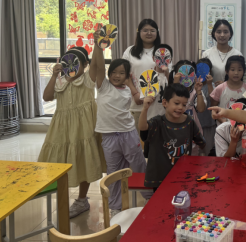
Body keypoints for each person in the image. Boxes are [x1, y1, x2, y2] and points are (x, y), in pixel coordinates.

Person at [38, 47, 107, 218]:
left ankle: (82, 199)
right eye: (66, 62)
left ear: (85, 64)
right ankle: (61, 195)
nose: (71, 67)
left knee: (83, 159)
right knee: (60, 159)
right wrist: (54, 75)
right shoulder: (60, 81)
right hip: (62, 127)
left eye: (76, 63)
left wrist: (97, 45)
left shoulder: (87, 79)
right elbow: (46, 97)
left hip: (83, 126)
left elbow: (97, 66)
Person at [92, 32, 150, 217]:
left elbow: (137, 98)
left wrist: (131, 84)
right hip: (109, 136)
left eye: (121, 73)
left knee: (138, 165)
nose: (117, 75)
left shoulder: (127, 89)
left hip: (128, 133)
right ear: (109, 73)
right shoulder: (103, 86)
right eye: (114, 72)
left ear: (126, 75)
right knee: (113, 171)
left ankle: (149, 197)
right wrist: (98, 46)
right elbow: (99, 66)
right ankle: (115, 206)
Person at [139, 84, 206, 189]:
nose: (180, 108)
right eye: (176, 103)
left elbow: (201, 142)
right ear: (165, 103)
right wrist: (144, 109)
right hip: (160, 178)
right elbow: (143, 129)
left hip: (183, 176)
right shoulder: (157, 122)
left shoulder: (189, 122)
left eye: (184, 105)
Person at [122, 19, 163, 132]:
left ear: (157, 32)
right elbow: (124, 74)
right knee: (138, 138)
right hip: (136, 102)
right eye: (145, 30)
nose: (149, 33)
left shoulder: (162, 51)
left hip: (157, 103)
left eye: (152, 30)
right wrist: (135, 93)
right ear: (139, 32)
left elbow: (166, 75)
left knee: (155, 138)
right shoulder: (130, 51)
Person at [202, 20, 242, 85]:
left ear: (230, 34)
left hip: (231, 90)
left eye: (225, 32)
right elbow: (202, 77)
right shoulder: (206, 54)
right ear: (214, 34)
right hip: (211, 90)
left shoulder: (237, 54)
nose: (222, 35)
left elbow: (241, 78)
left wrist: (226, 85)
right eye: (219, 32)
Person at [195, 57, 217, 156]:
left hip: (209, 124)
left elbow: (213, 99)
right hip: (196, 124)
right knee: (196, 152)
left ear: (209, 72)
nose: (201, 73)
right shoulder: (193, 85)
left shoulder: (211, 85)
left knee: (208, 151)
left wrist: (209, 84)